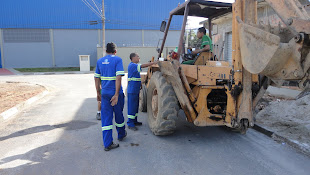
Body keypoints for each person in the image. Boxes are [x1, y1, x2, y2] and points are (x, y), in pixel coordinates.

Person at [94, 42, 126, 151]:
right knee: (118, 115)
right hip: (115, 93)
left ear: (106, 51)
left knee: (106, 118)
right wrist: (116, 94)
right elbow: (118, 77)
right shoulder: (117, 60)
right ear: (115, 51)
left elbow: (96, 78)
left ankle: (107, 144)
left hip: (105, 94)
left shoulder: (99, 61)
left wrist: (98, 92)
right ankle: (121, 135)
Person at [127, 53, 157, 131]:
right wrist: (153, 63)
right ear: (133, 58)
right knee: (132, 107)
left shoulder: (134, 66)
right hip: (132, 90)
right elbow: (143, 66)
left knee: (135, 106)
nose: (139, 58)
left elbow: (136, 76)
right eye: (138, 56)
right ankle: (130, 123)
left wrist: (140, 84)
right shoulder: (132, 65)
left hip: (135, 89)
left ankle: (135, 121)